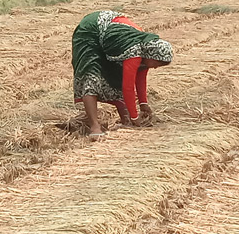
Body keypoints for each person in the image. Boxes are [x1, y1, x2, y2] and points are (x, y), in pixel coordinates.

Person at [71, 10, 173, 139]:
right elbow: (128, 87)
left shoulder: (146, 49)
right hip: (90, 31)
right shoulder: (133, 51)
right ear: (152, 55)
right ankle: (94, 126)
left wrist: (143, 104)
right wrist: (135, 116)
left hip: (108, 36)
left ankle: (126, 121)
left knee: (116, 76)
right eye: (157, 63)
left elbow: (140, 79)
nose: (156, 67)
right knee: (91, 77)